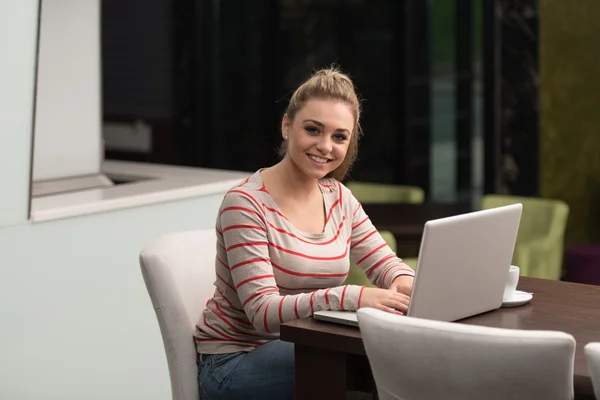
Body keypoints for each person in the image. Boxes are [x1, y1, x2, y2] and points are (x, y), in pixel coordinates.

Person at [194, 67, 415, 400]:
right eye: (313, 130)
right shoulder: (245, 204)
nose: (325, 146)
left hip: (311, 343)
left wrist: (405, 285)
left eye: (339, 136)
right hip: (234, 362)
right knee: (369, 363)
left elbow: (386, 265)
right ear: (287, 126)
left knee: (402, 356)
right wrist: (352, 297)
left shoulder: (339, 197)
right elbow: (263, 315)